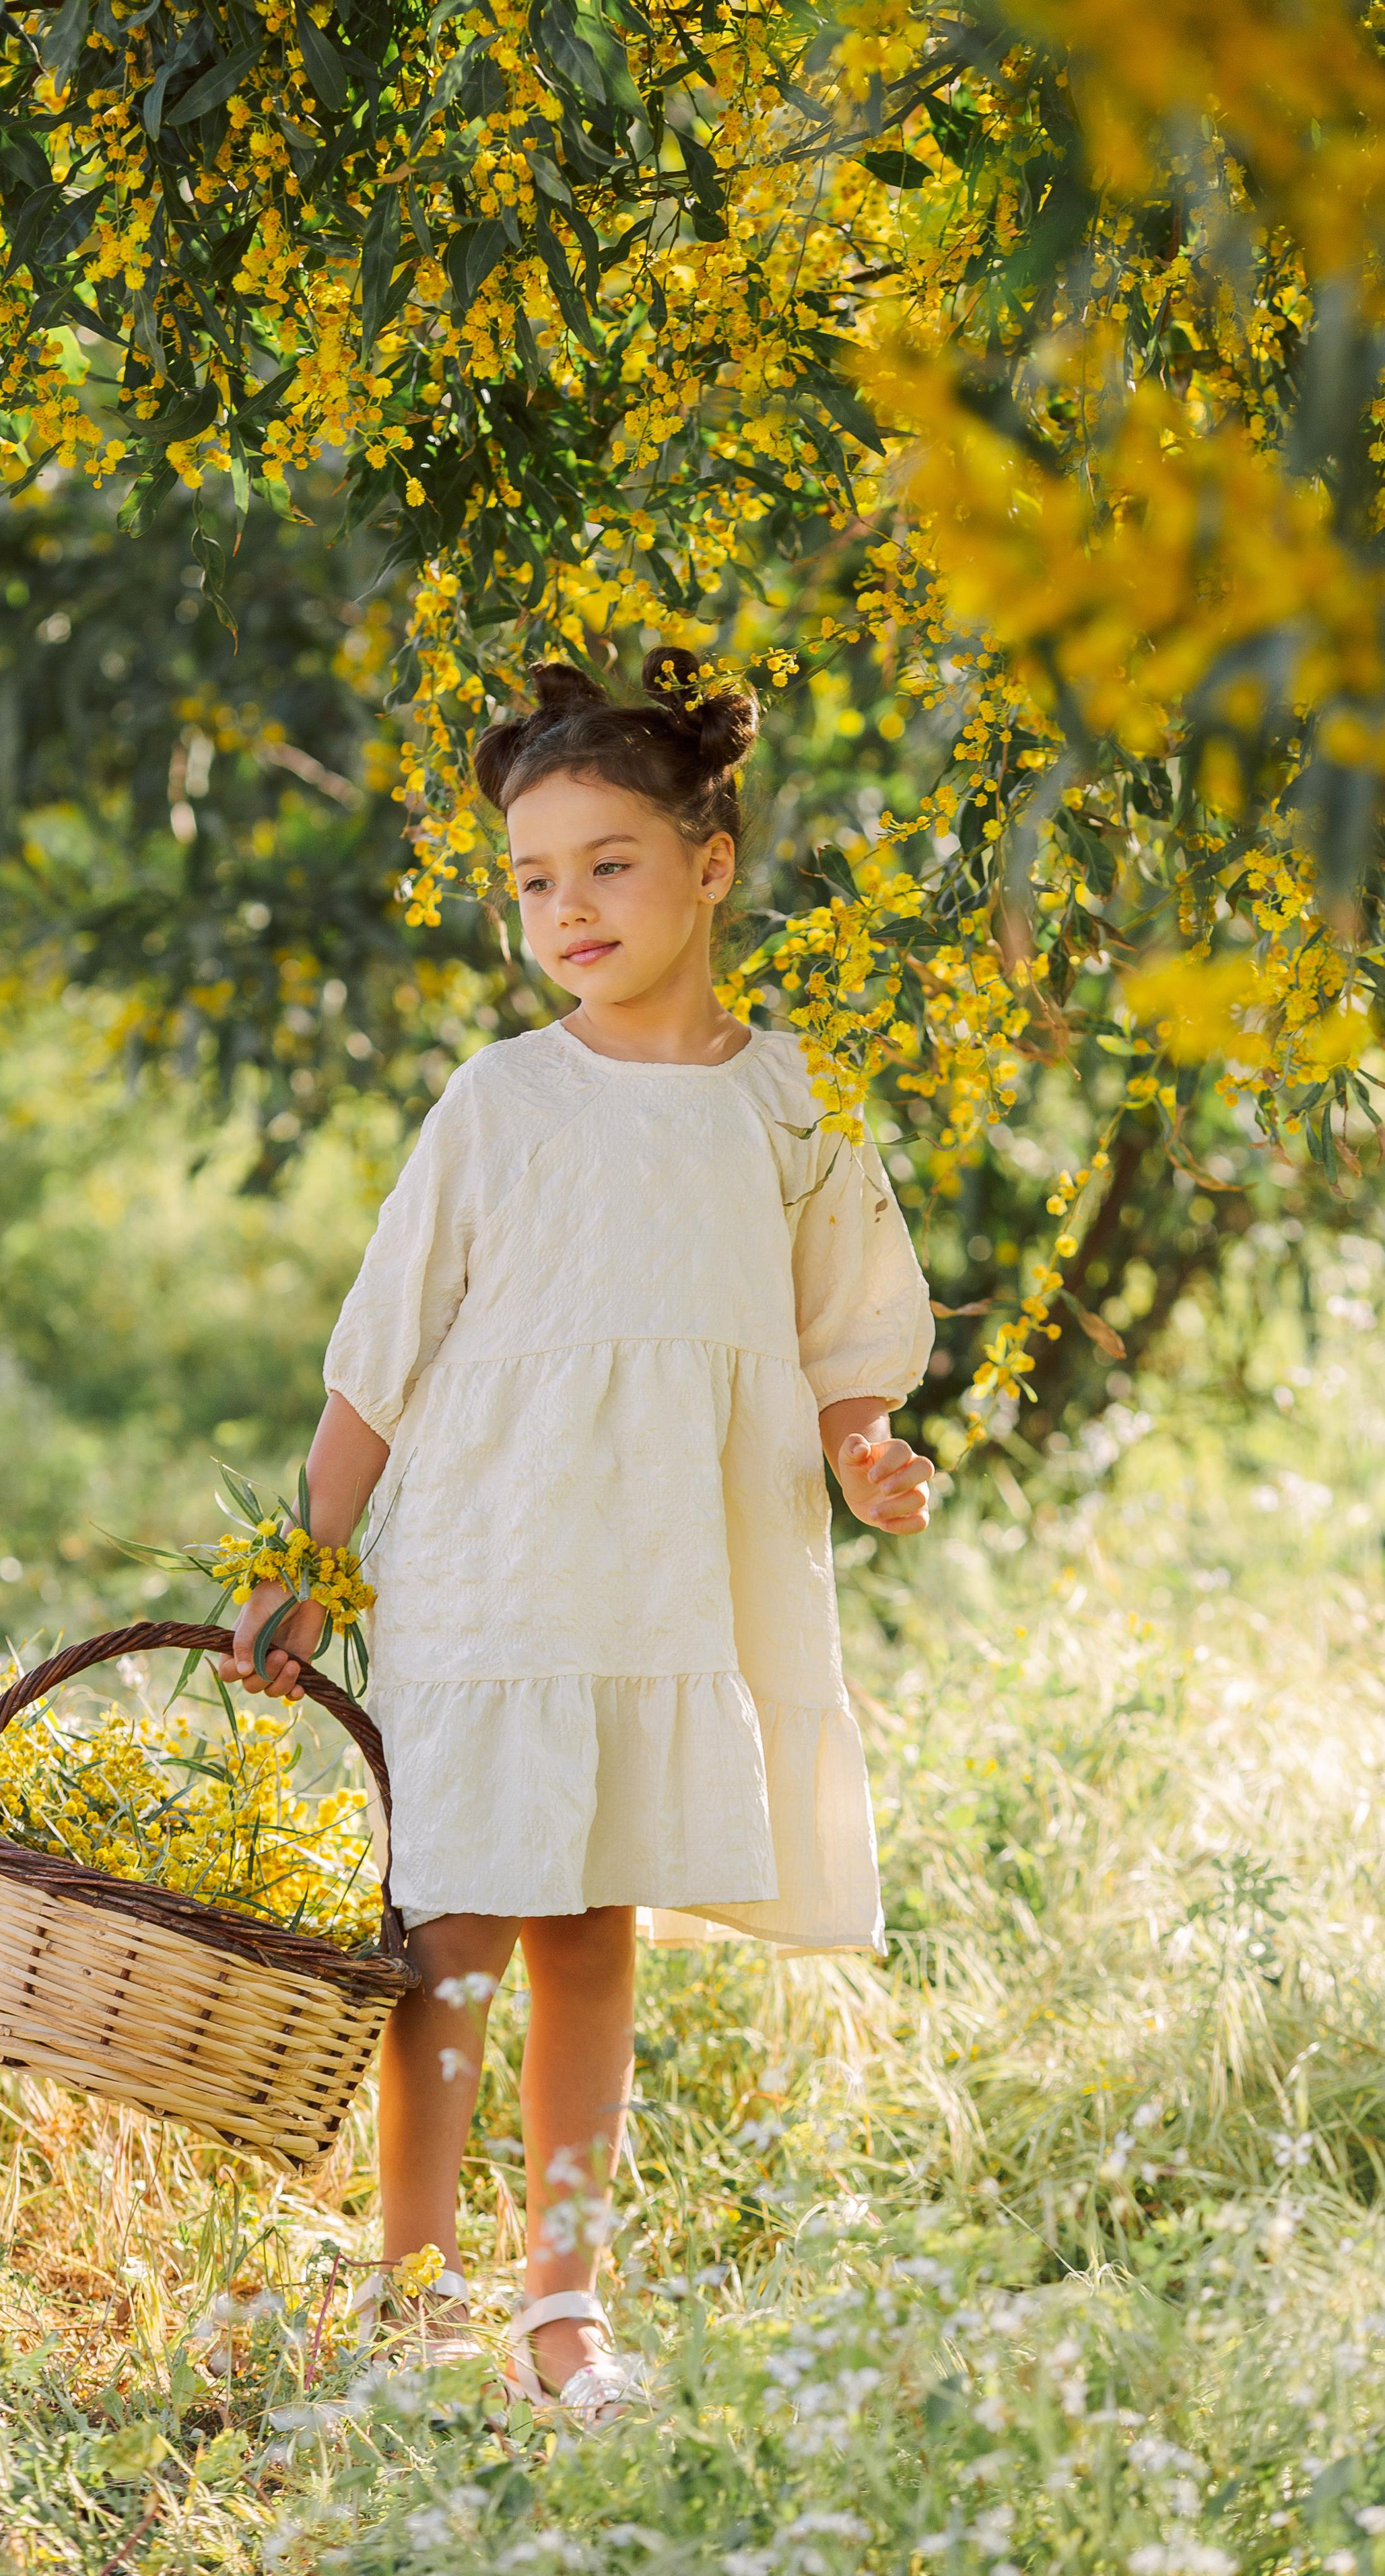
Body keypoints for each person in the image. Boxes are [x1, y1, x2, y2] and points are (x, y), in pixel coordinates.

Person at [221, 652, 937, 2425]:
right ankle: (405, 2289)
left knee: (591, 1927)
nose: (569, 909)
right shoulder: (501, 1102)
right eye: (536, 879)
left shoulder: (792, 1105)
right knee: (454, 1922)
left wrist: (866, 1449)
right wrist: (311, 1556)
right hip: (495, 1551)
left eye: (609, 863)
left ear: (711, 858)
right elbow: (382, 1351)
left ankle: (564, 2306)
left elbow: (847, 1330)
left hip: (665, 1571)